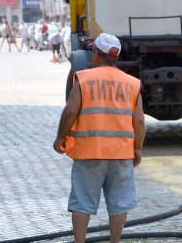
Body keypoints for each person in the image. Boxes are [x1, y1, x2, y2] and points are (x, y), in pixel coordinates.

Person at [53, 33, 145, 243]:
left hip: (89, 153)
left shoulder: (84, 79)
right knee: (119, 202)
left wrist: (60, 137)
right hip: (121, 154)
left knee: (82, 202)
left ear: (96, 54)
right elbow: (138, 122)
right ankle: (115, 241)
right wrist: (137, 149)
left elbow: (70, 112)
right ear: (116, 57)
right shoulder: (131, 84)